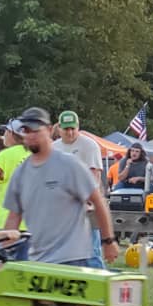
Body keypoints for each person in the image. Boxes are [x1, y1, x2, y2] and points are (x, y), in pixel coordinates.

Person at [3, 107, 119, 267]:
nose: (31, 136)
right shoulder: (21, 173)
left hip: (74, 258)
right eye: (26, 131)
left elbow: (98, 202)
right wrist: (6, 253)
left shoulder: (69, 164)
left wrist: (108, 240)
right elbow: (13, 216)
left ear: (49, 130)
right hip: (39, 260)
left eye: (36, 130)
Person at [51, 110, 105, 263]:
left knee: (92, 251)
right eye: (66, 129)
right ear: (59, 129)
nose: (70, 132)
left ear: (78, 127)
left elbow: (94, 177)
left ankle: (98, 279)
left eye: (73, 128)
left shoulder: (89, 145)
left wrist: (87, 201)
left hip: (86, 205)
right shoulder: (54, 148)